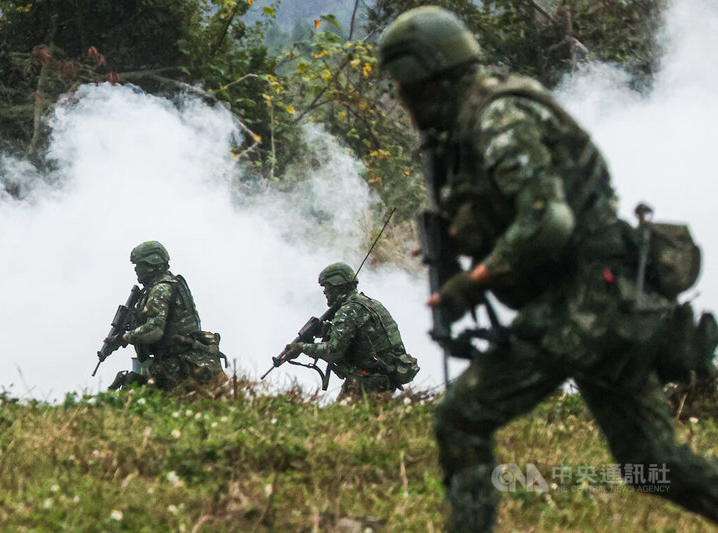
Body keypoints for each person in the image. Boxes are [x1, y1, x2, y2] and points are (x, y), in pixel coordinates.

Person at [378, 6, 718, 531]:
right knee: (653, 466)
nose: (402, 99)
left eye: (403, 86)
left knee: (461, 418)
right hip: (606, 303)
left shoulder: (497, 118)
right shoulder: (477, 118)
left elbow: (547, 222)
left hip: (583, 305)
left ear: (426, 79)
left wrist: (477, 280)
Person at [282, 262, 419, 398]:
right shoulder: (369, 303)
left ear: (337, 285)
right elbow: (361, 337)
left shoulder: (348, 310)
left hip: (367, 381)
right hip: (381, 378)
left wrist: (301, 348)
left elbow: (333, 351)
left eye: (326, 286)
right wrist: (326, 331)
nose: (324, 291)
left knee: (340, 419)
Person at [107, 241, 225, 390]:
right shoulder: (168, 283)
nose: (136, 269)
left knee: (132, 393)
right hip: (192, 362)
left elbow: (155, 329)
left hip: (182, 366)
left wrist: (126, 337)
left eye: (140, 264)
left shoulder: (160, 289)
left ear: (151, 264)